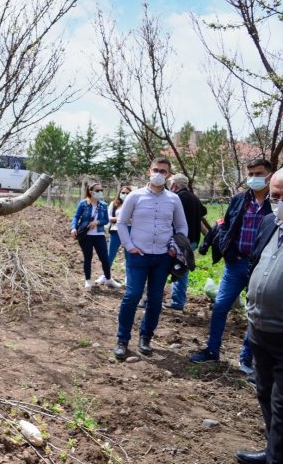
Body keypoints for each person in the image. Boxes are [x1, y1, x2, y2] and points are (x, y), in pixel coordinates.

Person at [190, 159, 273, 375]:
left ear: (270, 175)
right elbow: (226, 224)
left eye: (259, 173)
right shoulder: (239, 200)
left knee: (254, 313)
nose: (254, 177)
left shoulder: (276, 203)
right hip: (236, 263)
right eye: (251, 173)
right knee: (220, 307)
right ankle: (212, 350)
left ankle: (247, 357)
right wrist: (227, 250)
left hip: (262, 267)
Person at [113, 157, 188, 361]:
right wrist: (129, 246)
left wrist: (175, 247)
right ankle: (122, 340)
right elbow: (121, 223)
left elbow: (181, 226)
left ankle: (146, 337)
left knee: (155, 299)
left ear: (169, 175)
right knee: (132, 295)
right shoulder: (135, 197)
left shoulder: (174, 199)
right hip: (138, 255)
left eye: (163, 171)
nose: (158, 174)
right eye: (156, 170)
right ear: (149, 171)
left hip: (163, 257)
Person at [235, 168, 283, 464]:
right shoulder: (269, 223)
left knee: (282, 404)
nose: (279, 203)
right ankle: (273, 449)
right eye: (276, 196)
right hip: (259, 330)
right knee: (264, 393)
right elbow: (255, 264)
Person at [165, 174, 207, 312]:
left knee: (170, 268)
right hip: (192, 240)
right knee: (182, 269)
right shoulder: (193, 197)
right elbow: (204, 210)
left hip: (180, 240)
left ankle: (158, 299)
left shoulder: (178, 197)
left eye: (170, 184)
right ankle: (178, 301)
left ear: (175, 185)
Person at [70, 183, 122, 289]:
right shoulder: (83, 203)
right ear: (91, 192)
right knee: (88, 257)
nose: (100, 192)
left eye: (101, 190)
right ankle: (88, 280)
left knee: (104, 258)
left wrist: (97, 222)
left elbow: (106, 220)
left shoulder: (103, 205)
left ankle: (108, 279)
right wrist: (73, 227)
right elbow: (76, 216)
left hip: (99, 235)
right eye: (97, 190)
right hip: (86, 235)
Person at [107, 186, 132, 269]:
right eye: (123, 193)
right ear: (119, 193)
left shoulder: (134, 204)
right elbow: (109, 218)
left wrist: (128, 220)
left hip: (130, 231)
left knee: (129, 255)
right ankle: (105, 275)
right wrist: (121, 219)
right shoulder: (114, 204)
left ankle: (128, 277)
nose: (125, 194)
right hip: (116, 230)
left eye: (127, 193)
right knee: (110, 253)